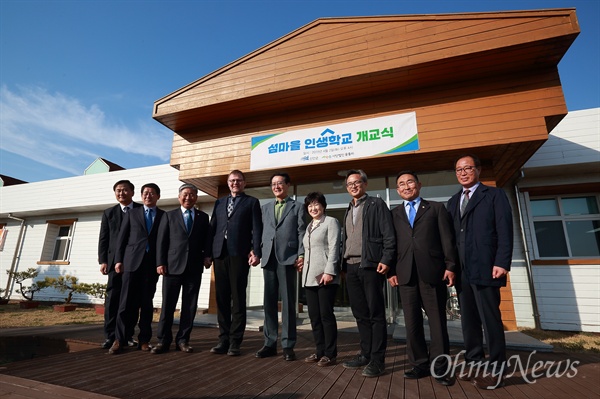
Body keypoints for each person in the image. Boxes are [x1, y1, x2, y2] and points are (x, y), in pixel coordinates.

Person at [447, 154, 513, 390]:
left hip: (488, 268)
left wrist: (502, 262)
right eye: (458, 170)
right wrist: (451, 267)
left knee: (490, 320)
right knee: (469, 321)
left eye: (468, 168)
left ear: (478, 170)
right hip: (463, 272)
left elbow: (505, 230)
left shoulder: (494, 195)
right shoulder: (453, 201)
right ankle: (474, 362)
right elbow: (452, 240)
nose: (463, 173)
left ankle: (497, 371)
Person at [387, 171, 458, 385]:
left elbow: (447, 240)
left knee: (437, 322)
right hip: (405, 274)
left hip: (432, 272)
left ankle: (441, 368)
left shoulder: (436, 208)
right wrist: (390, 270)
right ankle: (419, 364)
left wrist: (450, 265)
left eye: (410, 182)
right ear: (397, 190)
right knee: (412, 323)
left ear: (419, 184)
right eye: (401, 184)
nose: (406, 186)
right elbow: (391, 244)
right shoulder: (394, 213)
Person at [341, 169, 396, 378]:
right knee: (360, 314)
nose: (353, 186)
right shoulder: (348, 208)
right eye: (349, 184)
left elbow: (388, 234)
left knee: (376, 314)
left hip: (371, 265)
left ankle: (377, 360)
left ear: (364, 184)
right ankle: (365, 354)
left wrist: (386, 259)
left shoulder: (376, 204)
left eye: (357, 182)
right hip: (351, 267)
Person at [151, 183, 212, 354]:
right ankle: (163, 341)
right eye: (185, 194)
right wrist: (160, 262)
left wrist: (207, 256)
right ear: (179, 197)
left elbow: (207, 241)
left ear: (196, 197)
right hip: (171, 267)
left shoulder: (202, 217)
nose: (188, 197)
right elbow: (161, 241)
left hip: (193, 268)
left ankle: (183, 340)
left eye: (192, 194)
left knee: (189, 306)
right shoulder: (169, 216)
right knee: (168, 305)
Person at [209, 170, 263, 356]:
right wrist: (208, 253)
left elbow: (257, 228)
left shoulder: (252, 202)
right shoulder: (219, 202)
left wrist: (256, 251)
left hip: (239, 254)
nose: (235, 183)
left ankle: (235, 342)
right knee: (222, 298)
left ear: (244, 183)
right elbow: (213, 227)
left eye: (238, 180)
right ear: (228, 182)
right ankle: (223, 339)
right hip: (219, 254)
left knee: (238, 298)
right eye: (232, 180)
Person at [109, 183, 164, 354]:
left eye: (152, 193)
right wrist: (118, 260)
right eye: (145, 193)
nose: (148, 196)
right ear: (141, 196)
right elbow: (122, 239)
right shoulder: (132, 213)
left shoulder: (164, 216)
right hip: (131, 263)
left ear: (158, 196)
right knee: (125, 303)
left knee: (146, 304)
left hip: (151, 266)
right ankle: (120, 339)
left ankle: (144, 340)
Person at [256, 172, 306, 361]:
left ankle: (288, 345)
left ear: (287, 185)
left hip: (288, 257)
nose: (277, 186)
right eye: (274, 184)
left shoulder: (297, 207)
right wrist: (257, 251)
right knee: (268, 302)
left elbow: (301, 231)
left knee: (288, 303)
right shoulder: (265, 208)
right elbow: (259, 232)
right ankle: (269, 343)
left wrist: (301, 254)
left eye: (280, 183)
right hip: (268, 257)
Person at [97, 180, 140, 349]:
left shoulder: (139, 210)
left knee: (131, 300)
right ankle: (110, 336)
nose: (121, 193)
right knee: (112, 299)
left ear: (132, 192)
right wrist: (103, 260)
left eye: (125, 190)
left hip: (134, 262)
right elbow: (104, 238)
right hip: (113, 262)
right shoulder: (109, 213)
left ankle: (127, 335)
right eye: (118, 191)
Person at [300, 192, 341, 367]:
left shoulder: (331, 222)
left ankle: (330, 354)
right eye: (310, 205)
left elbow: (334, 248)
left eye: (316, 204)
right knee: (314, 317)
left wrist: (329, 271)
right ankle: (320, 351)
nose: (313, 208)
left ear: (323, 206)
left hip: (325, 276)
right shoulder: (309, 226)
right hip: (309, 277)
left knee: (326, 315)